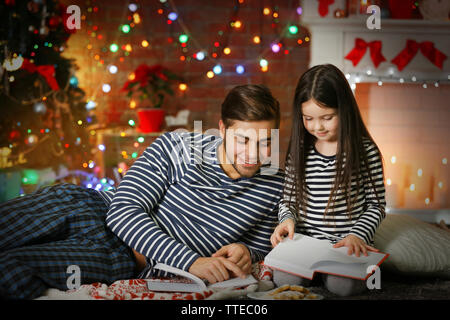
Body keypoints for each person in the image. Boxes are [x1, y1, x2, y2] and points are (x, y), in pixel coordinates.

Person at [0, 84, 284, 299]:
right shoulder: (180, 146)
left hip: (119, 258)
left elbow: (263, 246)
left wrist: (246, 250)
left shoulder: (274, 187)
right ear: (222, 129)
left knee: (11, 270)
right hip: (90, 208)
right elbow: (122, 212)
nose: (253, 154)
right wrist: (191, 262)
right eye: (243, 140)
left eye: (265, 142)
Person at [270, 64, 386, 297]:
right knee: (282, 279)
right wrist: (287, 219)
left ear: (344, 110)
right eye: (308, 119)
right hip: (306, 243)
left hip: (345, 245)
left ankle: (346, 270)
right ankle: (318, 271)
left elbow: (377, 205)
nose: (317, 127)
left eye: (327, 118)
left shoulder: (365, 151)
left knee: (343, 287)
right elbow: (288, 200)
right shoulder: (300, 150)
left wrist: (357, 235)